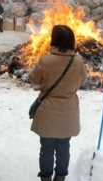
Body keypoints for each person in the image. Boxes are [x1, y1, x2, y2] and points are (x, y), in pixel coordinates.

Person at [29, 25, 87, 181]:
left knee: (46, 148)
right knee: (64, 147)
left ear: (54, 40)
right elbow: (82, 82)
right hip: (69, 110)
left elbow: (33, 79)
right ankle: (60, 177)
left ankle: (46, 178)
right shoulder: (78, 61)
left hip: (48, 109)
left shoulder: (46, 60)